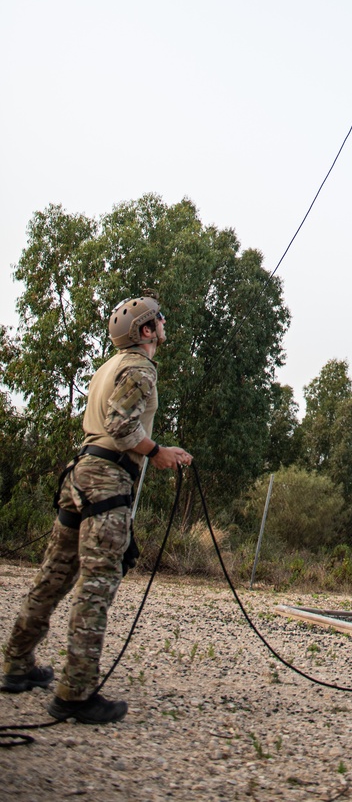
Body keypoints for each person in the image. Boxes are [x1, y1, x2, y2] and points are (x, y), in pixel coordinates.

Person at [1, 294, 192, 725]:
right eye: (158, 318)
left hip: (80, 473)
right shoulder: (140, 368)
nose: (164, 322)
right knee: (97, 583)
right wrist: (158, 451)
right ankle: (75, 693)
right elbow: (122, 427)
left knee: (54, 575)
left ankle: (16, 665)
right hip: (106, 480)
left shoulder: (108, 366)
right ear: (146, 331)